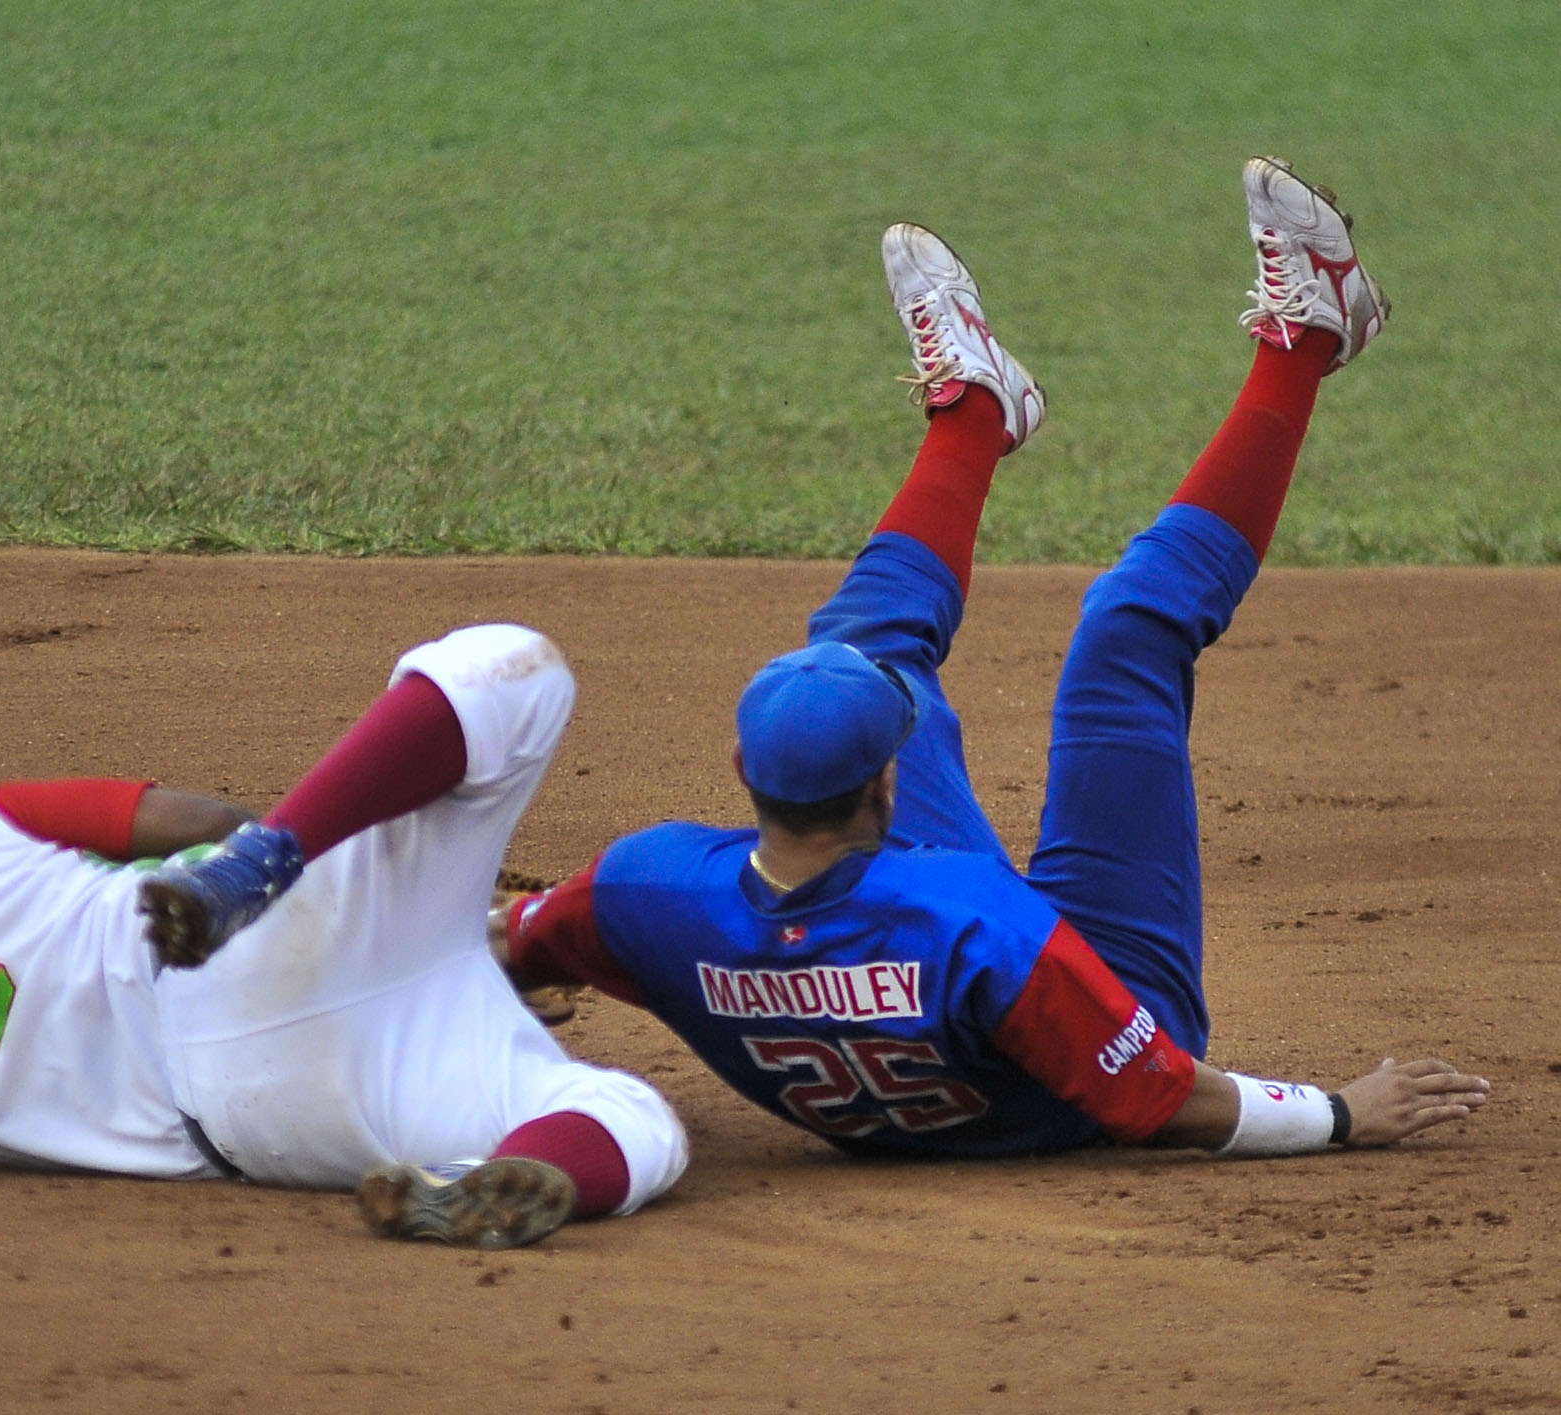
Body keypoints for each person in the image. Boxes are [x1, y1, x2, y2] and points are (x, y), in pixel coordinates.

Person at [485, 157, 1489, 1160]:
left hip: (942, 979)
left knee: (860, 648)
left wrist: (514, 967)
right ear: (887, 774)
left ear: (747, 775)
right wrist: (1345, 1112)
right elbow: (1156, 1092)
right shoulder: (971, 921)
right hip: (1099, 1032)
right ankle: (1313, 332)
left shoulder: (650, 894)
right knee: (1128, 630)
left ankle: (976, 410)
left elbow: (504, 935)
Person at [0, 624, 688, 1250]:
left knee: (631, 1117)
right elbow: (177, 817)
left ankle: (504, 1177)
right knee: (513, 668)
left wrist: (437, 943)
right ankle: (269, 862)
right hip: (217, 944)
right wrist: (325, 863)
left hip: (260, 1122)